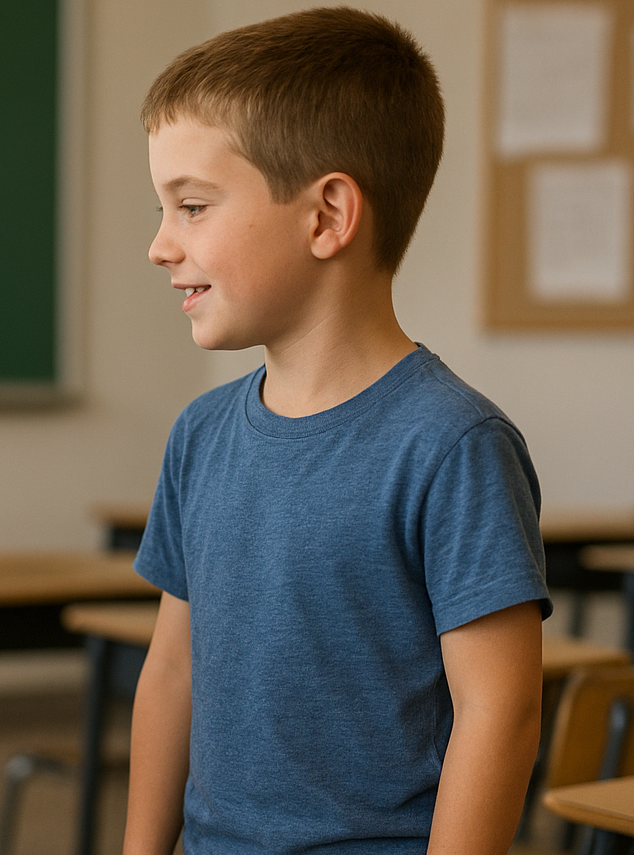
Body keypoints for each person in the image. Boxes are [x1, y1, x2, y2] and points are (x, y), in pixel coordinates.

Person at [125, 8, 550, 855]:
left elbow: (499, 714)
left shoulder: (452, 444)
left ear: (327, 217)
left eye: (194, 206)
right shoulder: (202, 433)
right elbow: (173, 669)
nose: (159, 245)